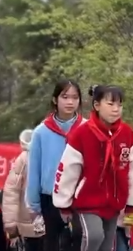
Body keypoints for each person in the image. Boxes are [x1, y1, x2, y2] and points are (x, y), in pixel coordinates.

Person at [53, 85, 133, 251]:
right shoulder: (82, 134)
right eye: (110, 104)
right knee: (94, 236)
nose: (116, 109)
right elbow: (68, 169)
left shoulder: (127, 134)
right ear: (97, 105)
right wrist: (63, 202)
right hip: (87, 202)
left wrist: (132, 201)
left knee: (107, 244)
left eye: (120, 105)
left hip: (114, 202)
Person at [26, 80, 85, 250]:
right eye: (65, 97)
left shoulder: (87, 128)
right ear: (54, 100)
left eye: (75, 97)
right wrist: (34, 206)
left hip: (80, 198)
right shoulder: (41, 132)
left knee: (79, 242)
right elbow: (34, 171)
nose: (70, 102)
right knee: (52, 244)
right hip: (50, 199)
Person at [3, 128, 44, 250]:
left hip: (52, 221)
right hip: (29, 224)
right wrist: (11, 225)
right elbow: (11, 191)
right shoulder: (24, 159)